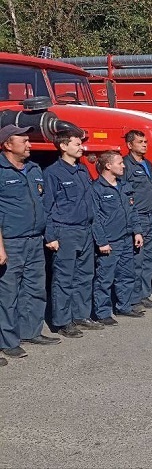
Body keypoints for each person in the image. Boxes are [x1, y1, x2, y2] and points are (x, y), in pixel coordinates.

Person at [0, 125, 60, 362]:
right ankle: (7, 340)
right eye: (23, 141)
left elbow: (45, 205)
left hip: (34, 240)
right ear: (7, 145)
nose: (29, 144)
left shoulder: (34, 169)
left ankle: (31, 331)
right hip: (11, 241)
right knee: (8, 293)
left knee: (35, 289)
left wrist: (49, 235)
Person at [44, 129, 103, 337]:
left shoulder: (82, 170)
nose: (82, 148)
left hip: (85, 230)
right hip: (65, 231)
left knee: (85, 276)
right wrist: (50, 236)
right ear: (63, 146)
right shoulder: (52, 173)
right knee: (64, 277)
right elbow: (47, 207)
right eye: (77, 144)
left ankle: (80, 315)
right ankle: (62, 321)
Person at [91, 151, 145, 326]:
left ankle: (124, 306)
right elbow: (95, 219)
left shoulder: (124, 186)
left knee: (127, 275)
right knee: (105, 278)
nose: (123, 166)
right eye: (120, 163)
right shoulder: (96, 189)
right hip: (110, 241)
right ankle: (103, 312)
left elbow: (133, 210)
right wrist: (102, 242)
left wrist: (137, 231)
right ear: (108, 166)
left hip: (126, 238)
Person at [122, 130, 152, 310]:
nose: (144, 144)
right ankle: (133, 297)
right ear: (130, 145)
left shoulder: (147, 164)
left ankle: (144, 293)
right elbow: (125, 194)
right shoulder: (126, 165)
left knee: (150, 259)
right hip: (139, 217)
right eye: (140, 142)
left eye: (145, 141)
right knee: (137, 259)